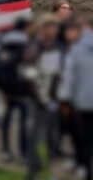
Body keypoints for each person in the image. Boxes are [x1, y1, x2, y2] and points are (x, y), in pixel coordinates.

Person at [21, 14, 62, 180]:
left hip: (51, 98)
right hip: (37, 100)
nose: (53, 31)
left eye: (55, 28)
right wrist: (43, 98)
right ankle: (34, 172)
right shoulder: (35, 48)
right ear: (43, 29)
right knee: (37, 137)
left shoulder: (53, 46)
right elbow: (30, 75)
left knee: (50, 136)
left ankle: (47, 170)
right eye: (50, 27)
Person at [60, 17, 93, 180]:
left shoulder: (75, 50)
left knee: (84, 138)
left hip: (83, 103)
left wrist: (65, 100)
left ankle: (86, 170)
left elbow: (68, 79)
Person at [0, 17, 31, 163]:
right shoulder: (25, 46)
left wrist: (0, 88)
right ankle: (23, 153)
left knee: (6, 120)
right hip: (21, 91)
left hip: (6, 91)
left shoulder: (3, 44)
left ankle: (5, 150)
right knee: (23, 121)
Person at [56, 17, 84, 173]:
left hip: (83, 98)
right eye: (68, 30)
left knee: (83, 133)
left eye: (73, 30)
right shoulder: (63, 49)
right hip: (69, 99)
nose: (70, 33)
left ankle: (83, 163)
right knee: (72, 132)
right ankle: (76, 160)